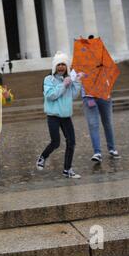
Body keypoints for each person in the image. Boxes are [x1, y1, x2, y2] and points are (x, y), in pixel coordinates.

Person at [36, 51, 84, 179]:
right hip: (53, 115)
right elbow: (51, 95)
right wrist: (63, 85)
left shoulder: (68, 79)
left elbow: (74, 95)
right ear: (54, 66)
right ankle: (43, 157)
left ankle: (67, 169)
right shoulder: (48, 79)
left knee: (71, 142)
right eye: (59, 64)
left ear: (67, 66)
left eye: (63, 64)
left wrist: (77, 82)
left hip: (66, 115)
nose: (61, 67)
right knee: (56, 142)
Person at [82, 35, 121, 163]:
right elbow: (78, 79)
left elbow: (111, 73)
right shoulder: (82, 62)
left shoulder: (104, 60)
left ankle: (112, 148)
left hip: (105, 95)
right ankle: (97, 152)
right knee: (93, 124)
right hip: (90, 97)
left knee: (108, 122)